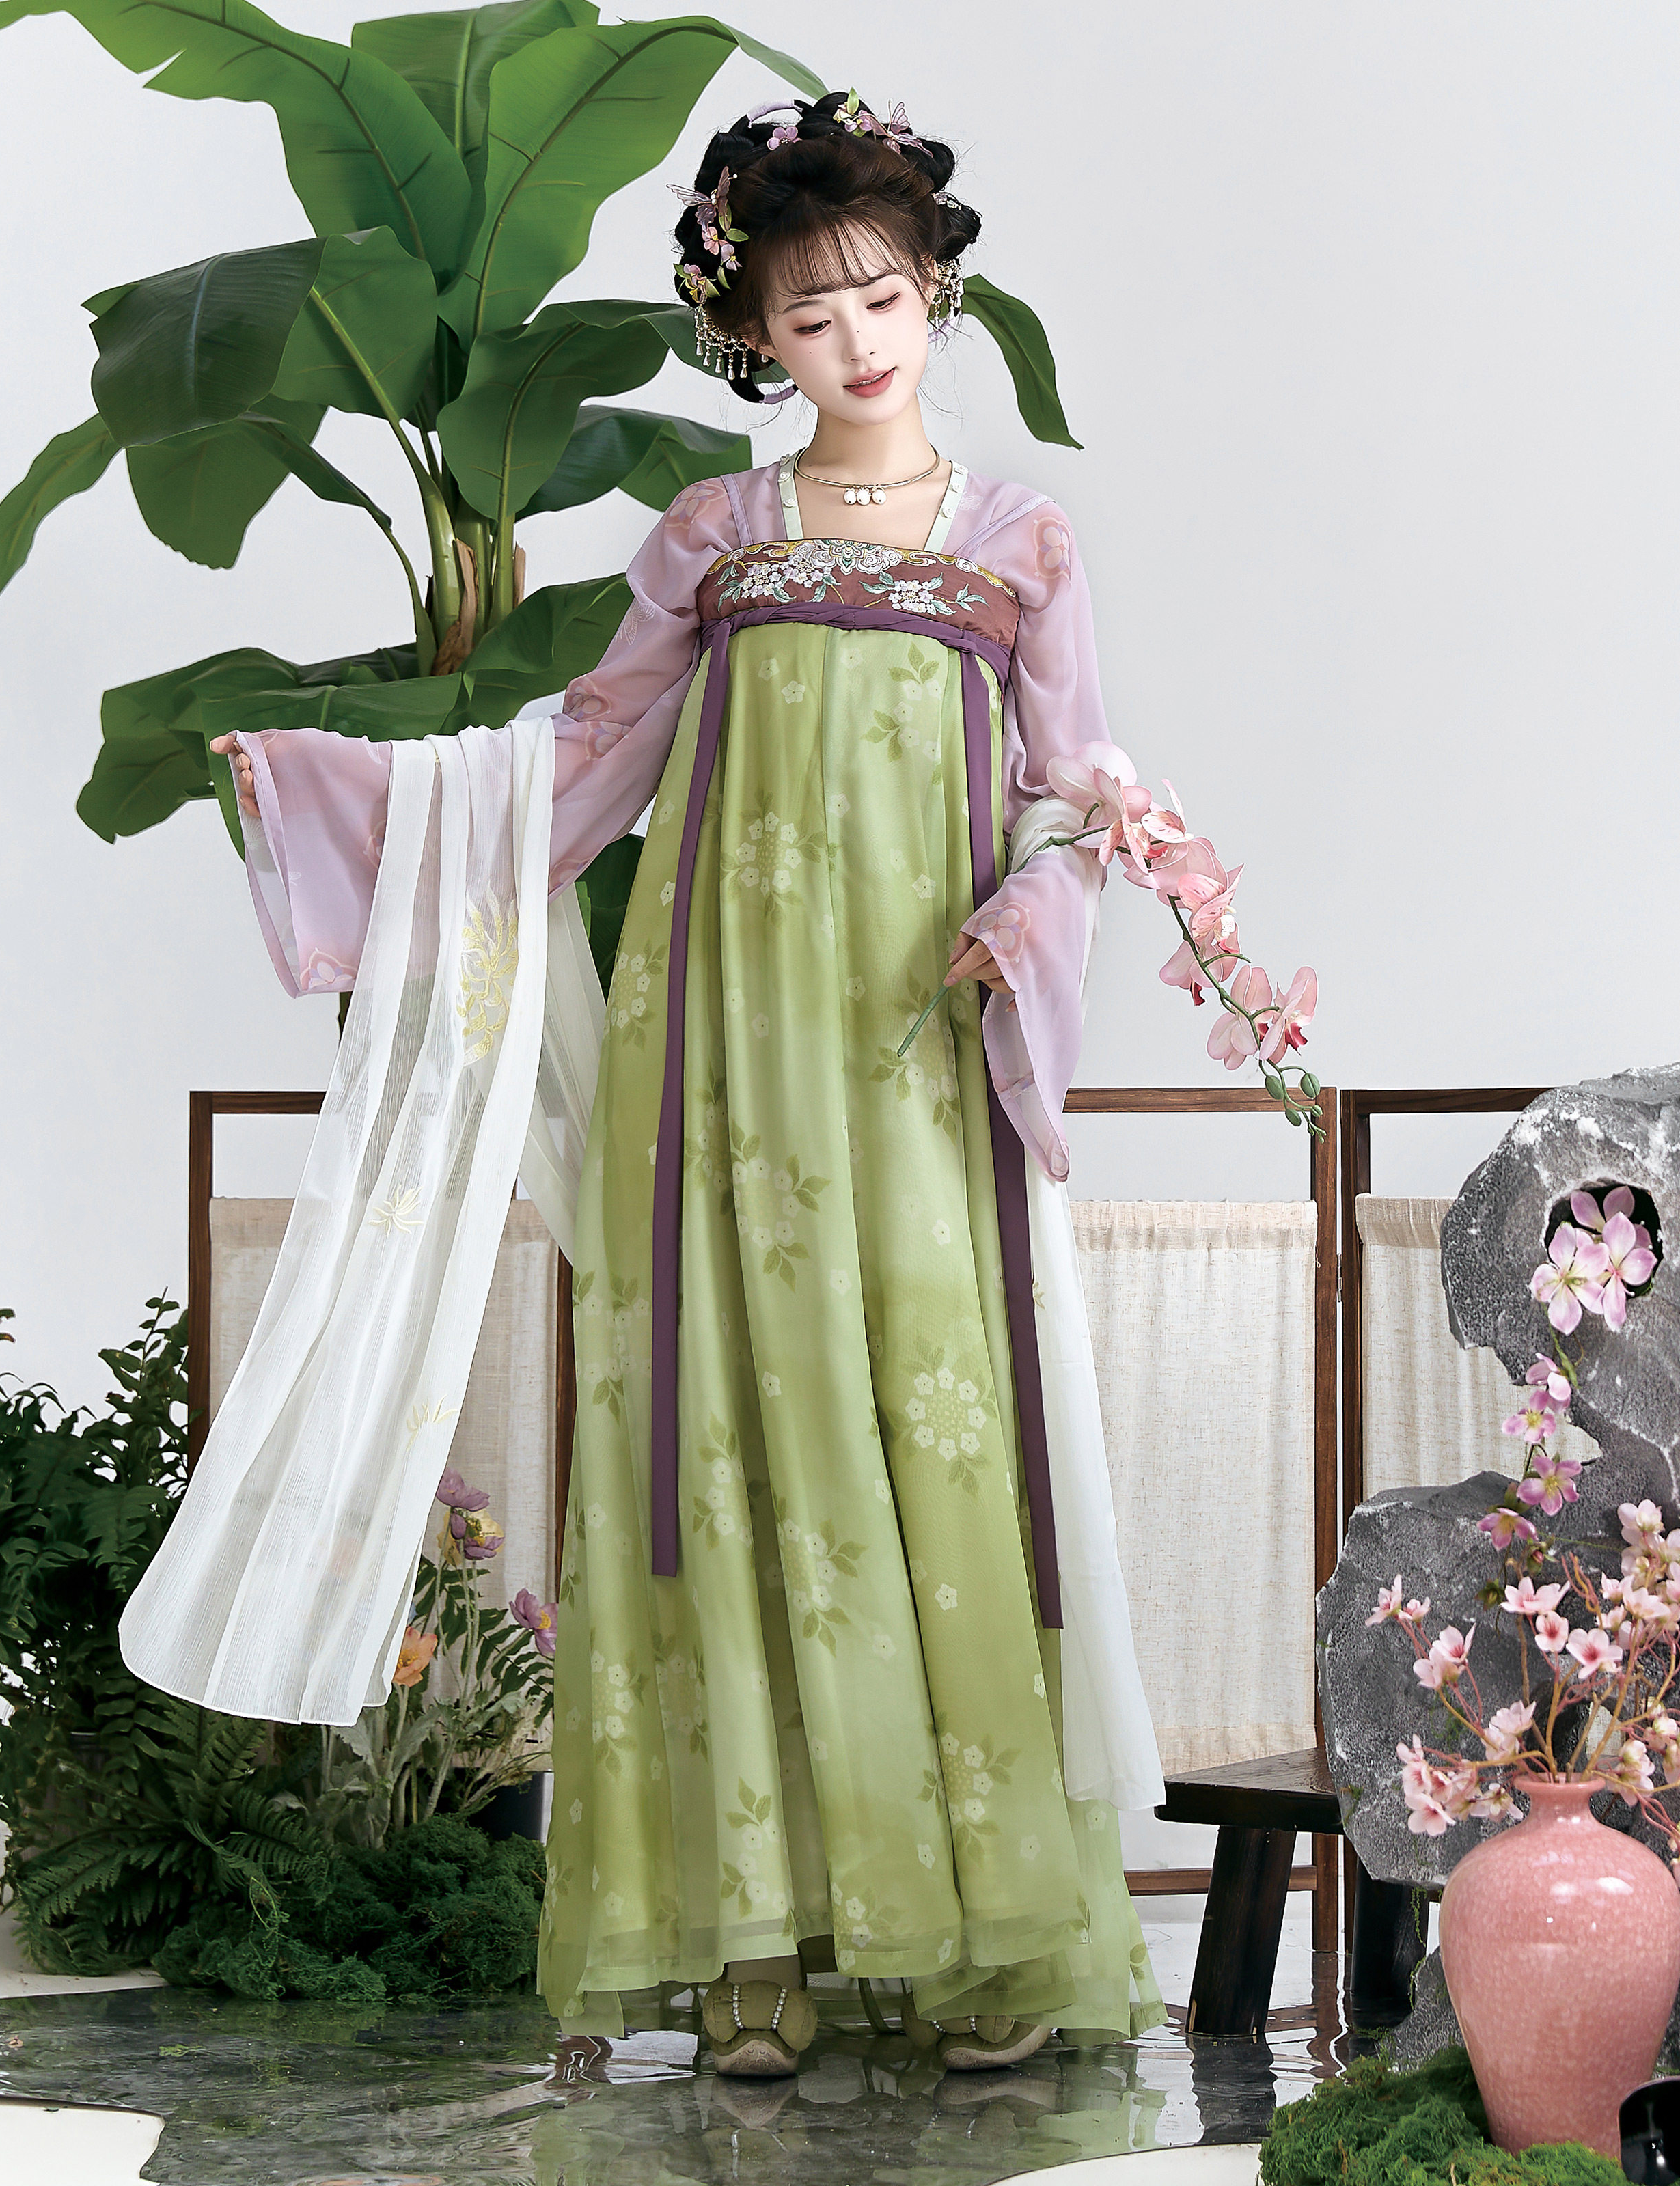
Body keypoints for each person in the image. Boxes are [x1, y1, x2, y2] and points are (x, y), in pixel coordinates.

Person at [195, 88, 1164, 2075]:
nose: (857, 339)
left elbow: (1078, 795)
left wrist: (1027, 915)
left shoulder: (1020, 542)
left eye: (884, 294)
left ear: (938, 289)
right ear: (752, 334)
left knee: (940, 1441)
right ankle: (753, 1944)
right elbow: (574, 767)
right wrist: (331, 781)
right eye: (809, 313)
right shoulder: (715, 536)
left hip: (922, 1056)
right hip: (718, 1061)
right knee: (727, 1450)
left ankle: (982, 1930)